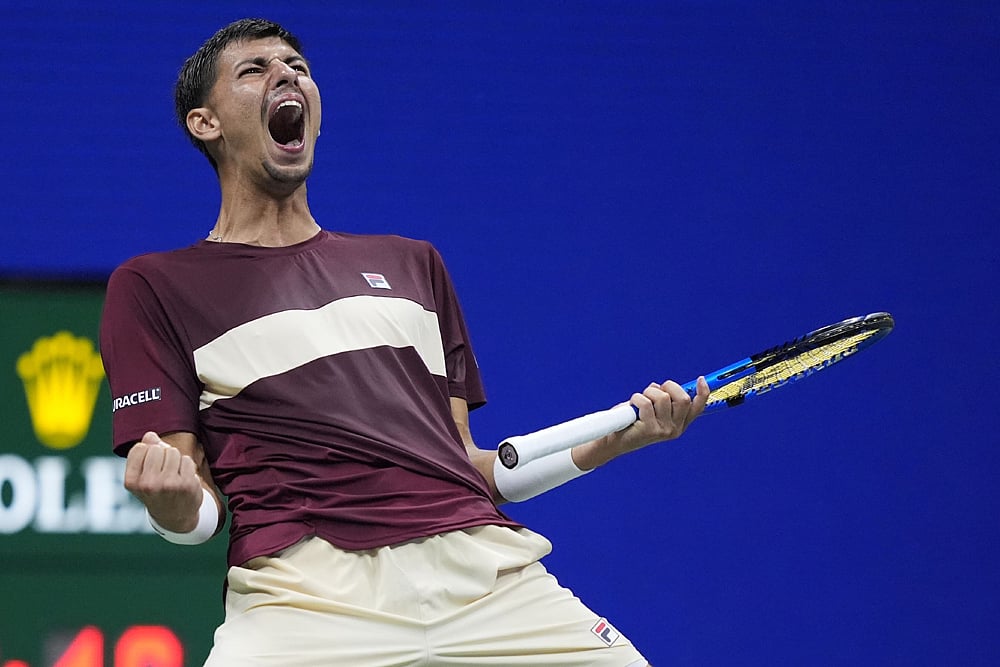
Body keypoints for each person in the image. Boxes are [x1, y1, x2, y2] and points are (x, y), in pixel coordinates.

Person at [100, 18, 709, 666]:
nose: (287, 75)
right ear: (205, 123)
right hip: (307, 598)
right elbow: (192, 503)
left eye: (298, 67)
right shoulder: (155, 285)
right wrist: (171, 505)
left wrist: (621, 439)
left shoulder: (414, 265)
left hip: (484, 576)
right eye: (254, 70)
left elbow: (473, 468)